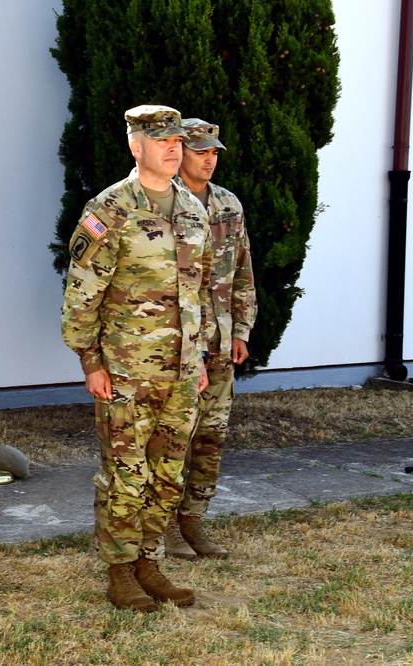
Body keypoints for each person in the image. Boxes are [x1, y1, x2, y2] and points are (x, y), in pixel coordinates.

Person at [61, 104, 214, 613]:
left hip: (183, 370)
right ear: (136, 145)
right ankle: (121, 572)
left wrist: (203, 357)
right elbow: (82, 293)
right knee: (126, 475)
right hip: (127, 370)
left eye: (177, 141)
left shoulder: (193, 210)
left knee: (168, 474)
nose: (174, 148)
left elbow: (202, 292)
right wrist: (90, 362)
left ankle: (151, 563)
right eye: (161, 140)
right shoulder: (110, 211)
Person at [165, 118, 257, 560]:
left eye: (214, 151)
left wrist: (240, 330)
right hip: (179, 345)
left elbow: (242, 272)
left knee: (211, 437)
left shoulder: (228, 205)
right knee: (173, 438)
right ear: (179, 151)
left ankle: (193, 520)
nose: (209, 158)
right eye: (201, 150)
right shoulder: (162, 203)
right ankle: (162, 525)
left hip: (219, 342)